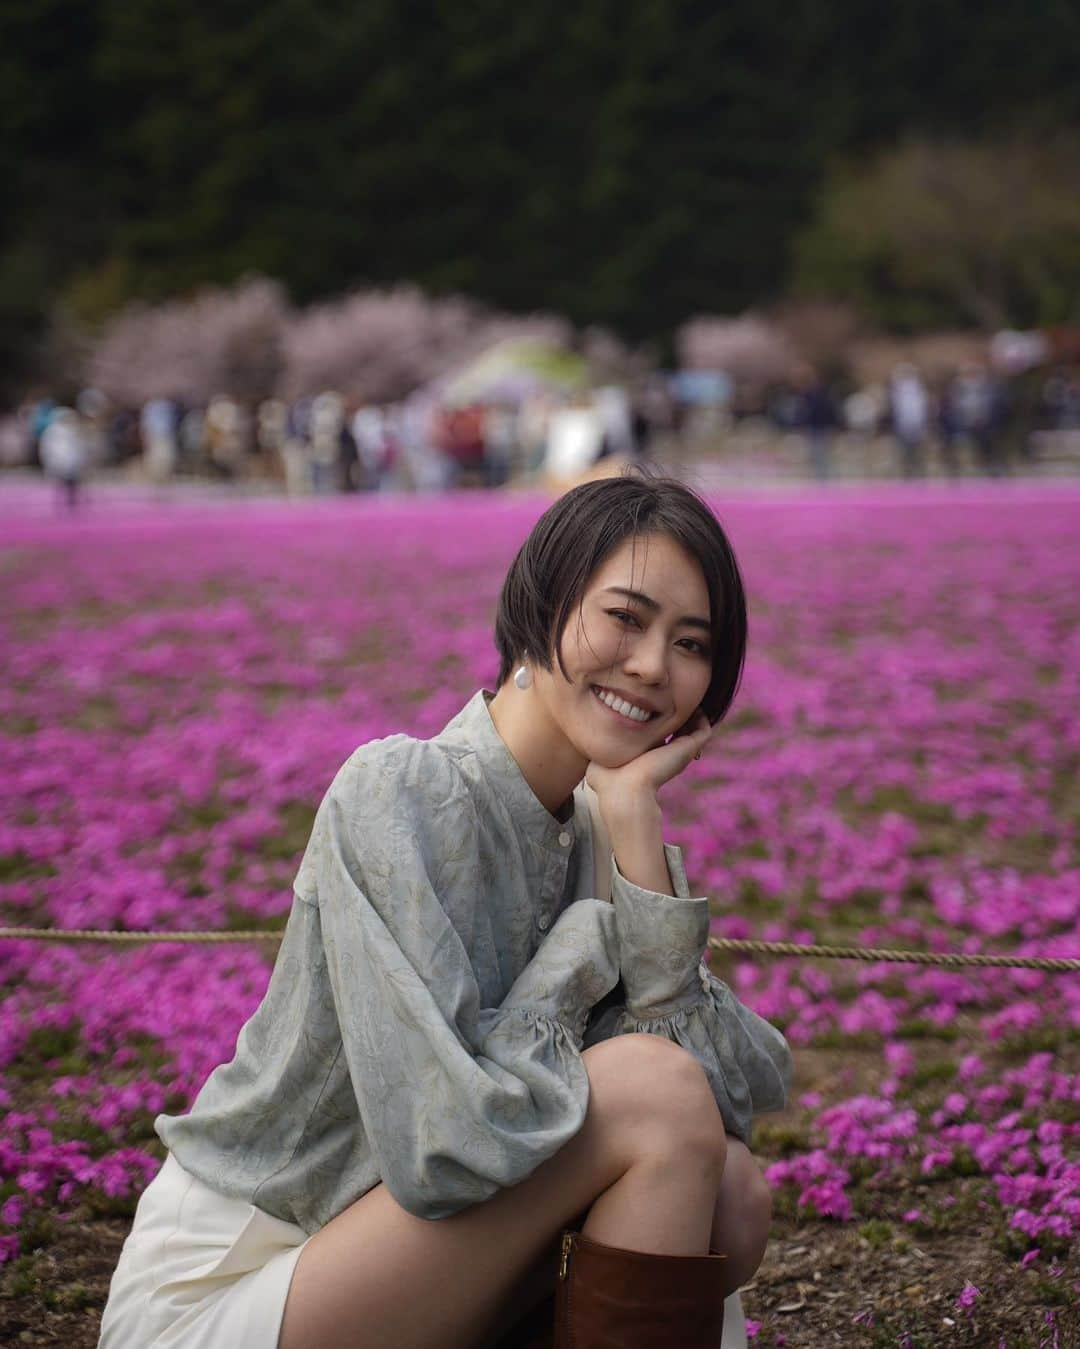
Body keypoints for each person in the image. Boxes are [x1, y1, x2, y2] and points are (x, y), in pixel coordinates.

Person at [98, 472, 792, 1349]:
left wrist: (633, 820)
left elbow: (719, 1102)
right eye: (624, 616)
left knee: (730, 1192)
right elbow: (446, 1147)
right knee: (650, 1096)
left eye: (690, 643)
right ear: (543, 601)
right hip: (248, 1276)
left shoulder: (600, 832)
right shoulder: (397, 792)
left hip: (402, 1266)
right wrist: (574, 963)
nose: (654, 665)